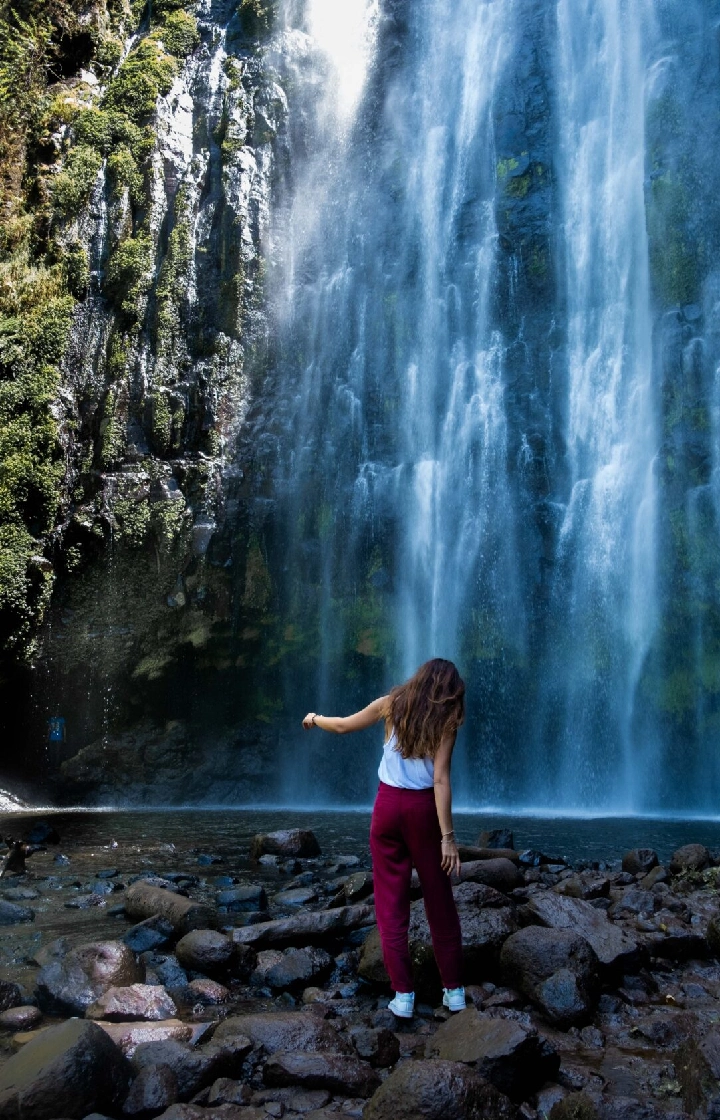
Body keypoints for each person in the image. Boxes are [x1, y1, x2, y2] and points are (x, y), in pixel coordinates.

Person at [302, 657, 465, 1019]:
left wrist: (315, 719)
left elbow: (343, 726)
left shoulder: (391, 704)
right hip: (424, 812)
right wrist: (448, 838)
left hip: (387, 808)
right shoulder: (447, 720)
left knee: (391, 904)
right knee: (440, 900)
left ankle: (403, 996)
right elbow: (440, 780)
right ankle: (453, 992)